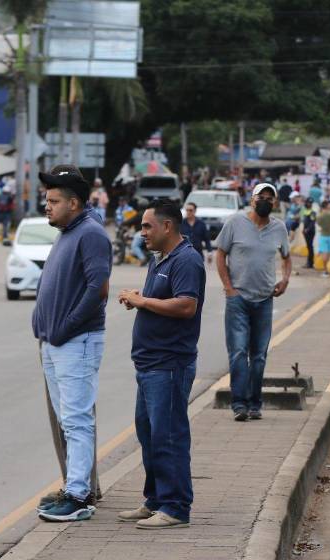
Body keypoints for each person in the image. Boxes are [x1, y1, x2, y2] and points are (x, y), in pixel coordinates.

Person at [117, 199, 206, 530]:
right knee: (149, 433)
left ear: (167, 226)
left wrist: (143, 301)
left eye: (146, 226)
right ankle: (155, 499)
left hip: (169, 363)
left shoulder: (187, 260)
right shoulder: (161, 260)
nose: (142, 233)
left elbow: (186, 306)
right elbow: (161, 301)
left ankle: (176, 506)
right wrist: (141, 300)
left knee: (168, 435)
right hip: (149, 363)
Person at [32, 164, 111, 522]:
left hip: (75, 341)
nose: (46, 206)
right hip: (55, 341)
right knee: (68, 420)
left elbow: (98, 289)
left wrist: (65, 326)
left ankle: (78, 496)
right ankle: (74, 486)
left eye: (53, 200)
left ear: (75, 203)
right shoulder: (68, 231)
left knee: (77, 420)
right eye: (46, 199)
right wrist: (41, 323)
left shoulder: (91, 233)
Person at [215, 183, 291, 421]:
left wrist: (285, 280)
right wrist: (229, 288)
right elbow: (220, 254)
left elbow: (287, 258)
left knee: (258, 356)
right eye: (262, 197)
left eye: (270, 198)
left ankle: (255, 403)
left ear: (275, 203)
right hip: (238, 299)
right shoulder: (235, 224)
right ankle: (239, 404)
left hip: (264, 300)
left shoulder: (279, 228)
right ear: (252, 199)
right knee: (238, 352)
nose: (265, 201)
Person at [316, 201, 330, 278]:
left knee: (324, 254)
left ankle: (326, 271)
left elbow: (319, 224)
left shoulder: (320, 216)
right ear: (327, 206)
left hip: (323, 235)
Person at [301, 198, 317, 269]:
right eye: (308, 203)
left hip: (310, 232)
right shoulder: (305, 211)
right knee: (309, 247)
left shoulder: (312, 212)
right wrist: (303, 229)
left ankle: (310, 263)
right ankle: (309, 262)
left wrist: (307, 229)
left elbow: (312, 223)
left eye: (310, 203)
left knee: (310, 247)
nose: (309, 204)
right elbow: (305, 222)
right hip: (306, 231)